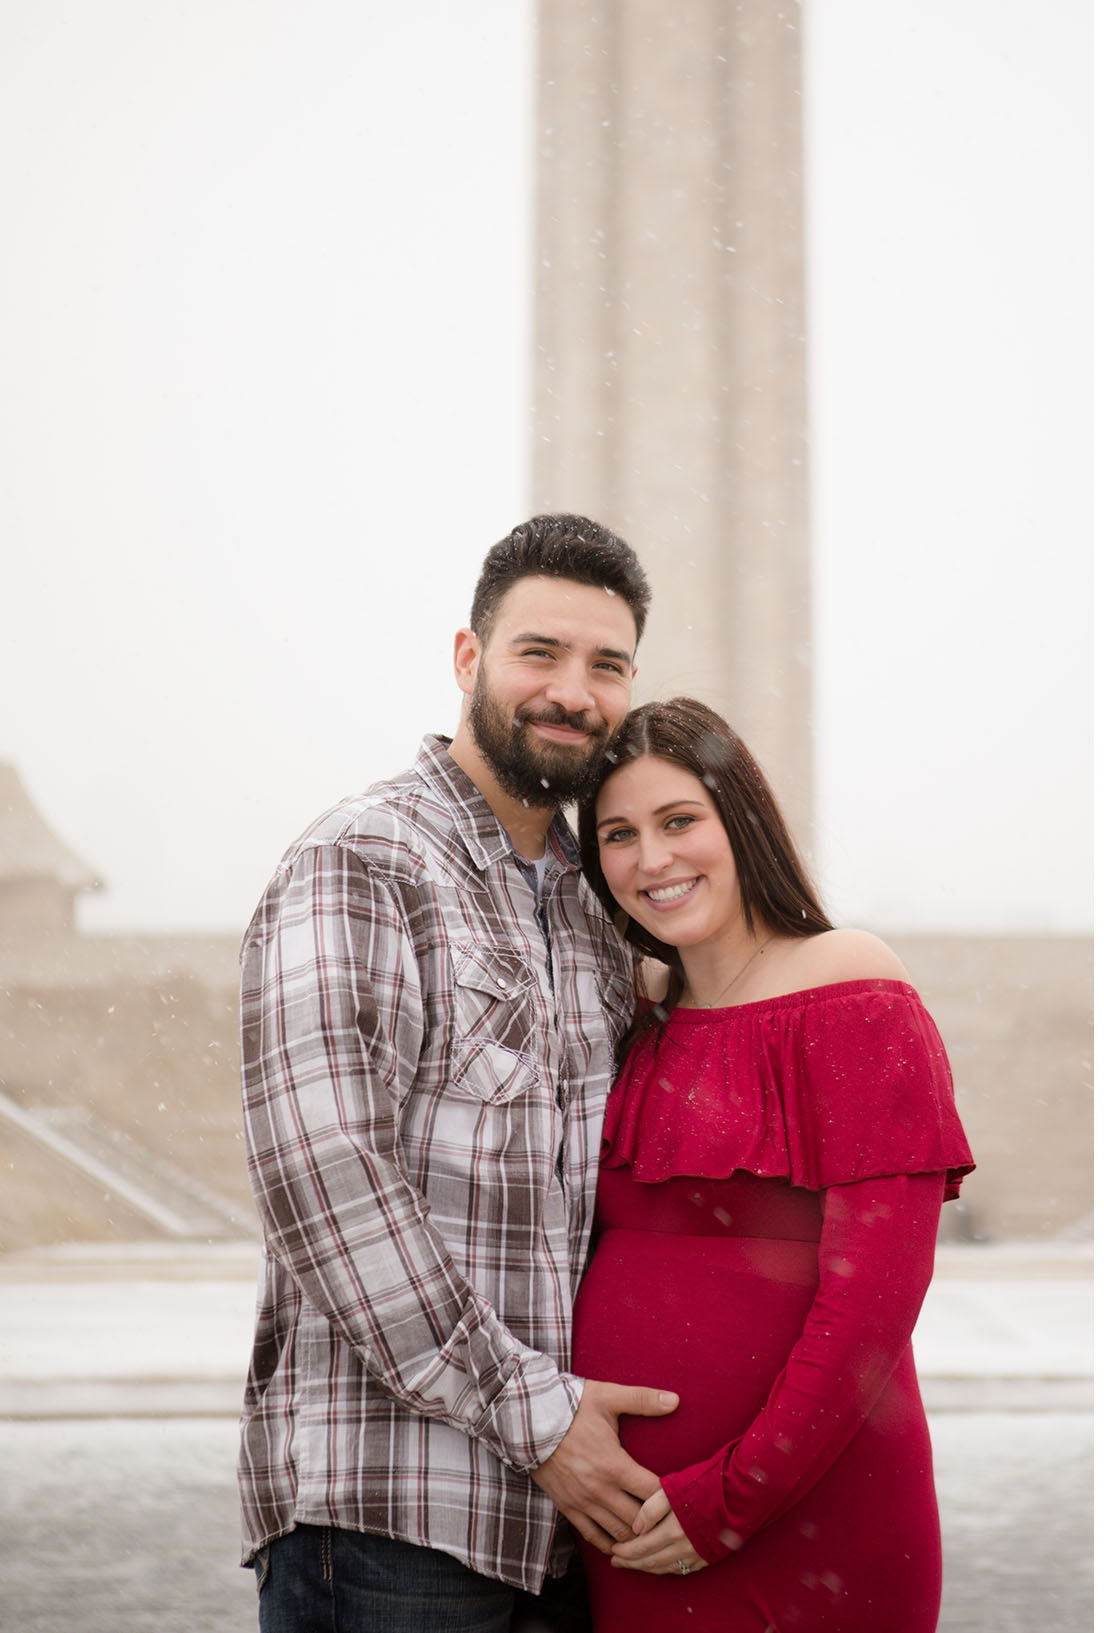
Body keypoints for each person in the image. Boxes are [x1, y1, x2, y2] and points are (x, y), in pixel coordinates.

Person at [238, 516, 680, 1630]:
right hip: (397, 1519)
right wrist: (535, 1418)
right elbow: (326, 1177)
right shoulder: (364, 858)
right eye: (541, 653)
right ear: (469, 659)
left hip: (565, 1531)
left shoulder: (594, 907)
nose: (572, 692)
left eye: (606, 665)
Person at [570, 696, 975, 1631]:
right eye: (620, 834)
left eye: (680, 821)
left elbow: (875, 1296)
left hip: (809, 1510)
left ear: (740, 820)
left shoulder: (851, 983)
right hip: (629, 1518)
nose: (653, 859)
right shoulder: (628, 1016)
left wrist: (735, 1495)